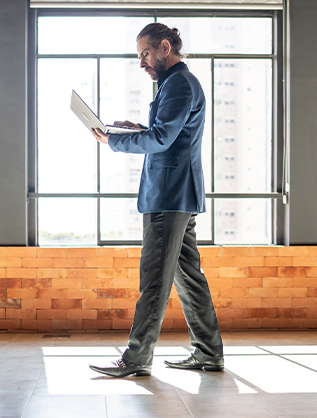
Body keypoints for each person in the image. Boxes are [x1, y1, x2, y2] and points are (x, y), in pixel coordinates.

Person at [88, 23, 224, 378]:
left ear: (165, 47)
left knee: (154, 280)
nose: (142, 63)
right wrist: (135, 131)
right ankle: (209, 352)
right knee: (188, 277)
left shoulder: (179, 83)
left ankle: (136, 359)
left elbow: (162, 139)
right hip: (178, 193)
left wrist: (113, 141)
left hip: (169, 195)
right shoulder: (176, 83)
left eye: (145, 54)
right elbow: (168, 135)